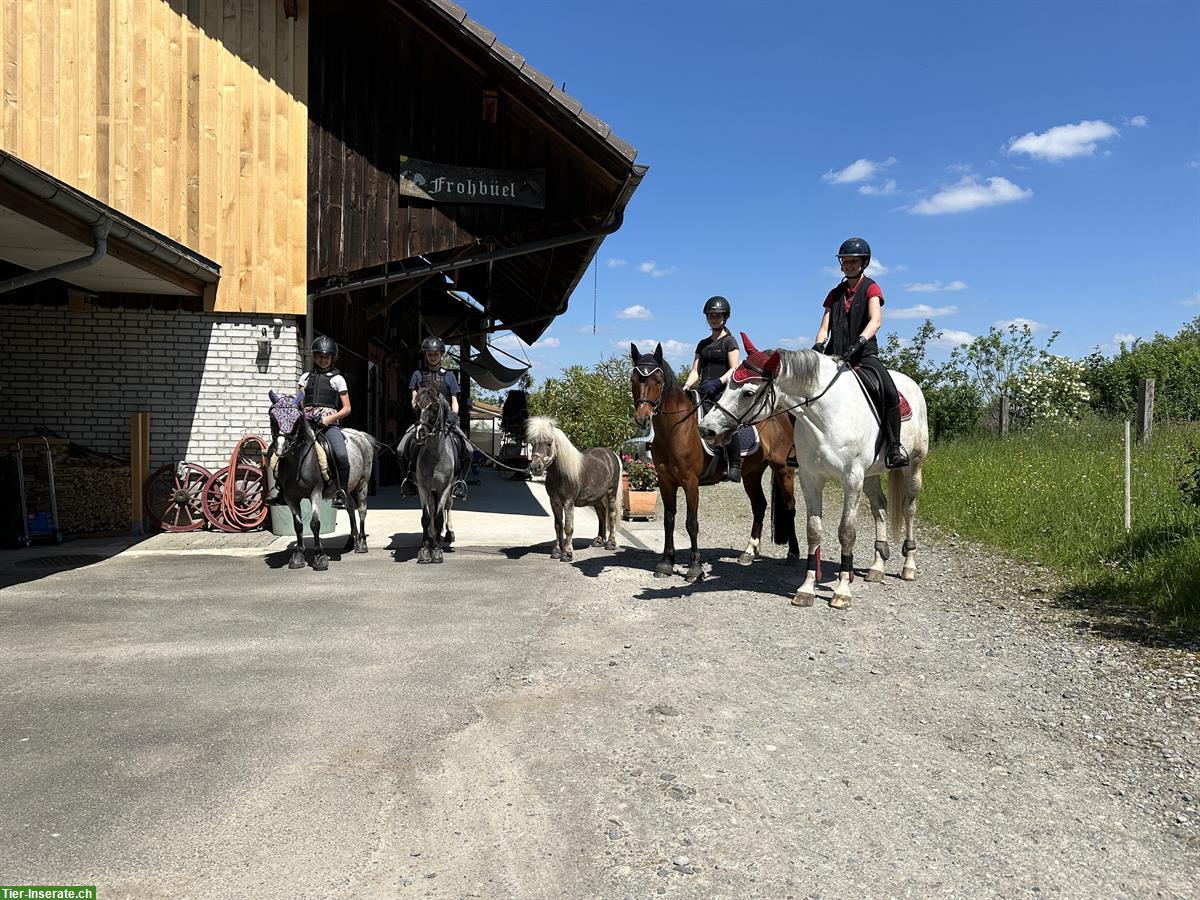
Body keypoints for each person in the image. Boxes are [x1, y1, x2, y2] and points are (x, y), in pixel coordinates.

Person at [812, 237, 909, 469]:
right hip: (835, 356)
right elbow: (824, 326)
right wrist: (818, 345)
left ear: (864, 263)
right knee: (805, 390)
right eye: (845, 261)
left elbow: (876, 320)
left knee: (888, 390)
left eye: (853, 261)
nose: (848, 265)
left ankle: (894, 447)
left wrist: (859, 342)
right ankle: (797, 447)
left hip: (864, 355)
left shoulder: (871, 288)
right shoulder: (834, 294)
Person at [266, 335, 353, 508]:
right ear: (314, 357)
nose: (323, 359)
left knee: (341, 455)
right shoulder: (305, 377)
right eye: (320, 356)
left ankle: (341, 492)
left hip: (328, 424)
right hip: (306, 422)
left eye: (326, 356)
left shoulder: (338, 379)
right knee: (276, 452)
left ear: (332, 358)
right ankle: (281, 490)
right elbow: (300, 401)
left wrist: (329, 418)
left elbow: (347, 408)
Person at [397, 335, 472, 499]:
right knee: (401, 449)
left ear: (441, 355)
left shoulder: (449, 376)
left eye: (435, 354)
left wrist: (453, 416)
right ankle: (409, 481)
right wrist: (418, 410)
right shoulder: (418, 375)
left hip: (446, 422)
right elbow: (413, 398)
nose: (432, 357)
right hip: (423, 421)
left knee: (469, 449)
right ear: (426, 355)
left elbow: (455, 400)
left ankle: (459, 482)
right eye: (430, 354)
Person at [682, 295, 743, 481]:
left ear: (725, 317)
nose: (714, 318)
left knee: (727, 421)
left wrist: (718, 382)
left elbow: (735, 368)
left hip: (723, 391)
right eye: (711, 315)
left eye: (717, 315)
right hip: (704, 390)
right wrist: (686, 386)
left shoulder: (729, 342)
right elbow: (695, 370)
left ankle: (734, 464)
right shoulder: (703, 344)